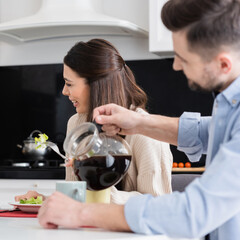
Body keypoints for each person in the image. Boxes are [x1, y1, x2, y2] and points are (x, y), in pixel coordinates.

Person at [37, 0, 240, 239]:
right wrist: (139, 123)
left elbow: (191, 214)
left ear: (223, 64)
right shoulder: (229, 102)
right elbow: (207, 132)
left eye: (183, 59)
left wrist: (83, 212)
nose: (175, 66)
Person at [16, 38, 173, 203]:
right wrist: (46, 200)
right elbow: (77, 196)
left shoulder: (145, 131)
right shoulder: (77, 124)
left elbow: (159, 205)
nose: (64, 91)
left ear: (95, 85)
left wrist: (99, 193)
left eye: (69, 84)